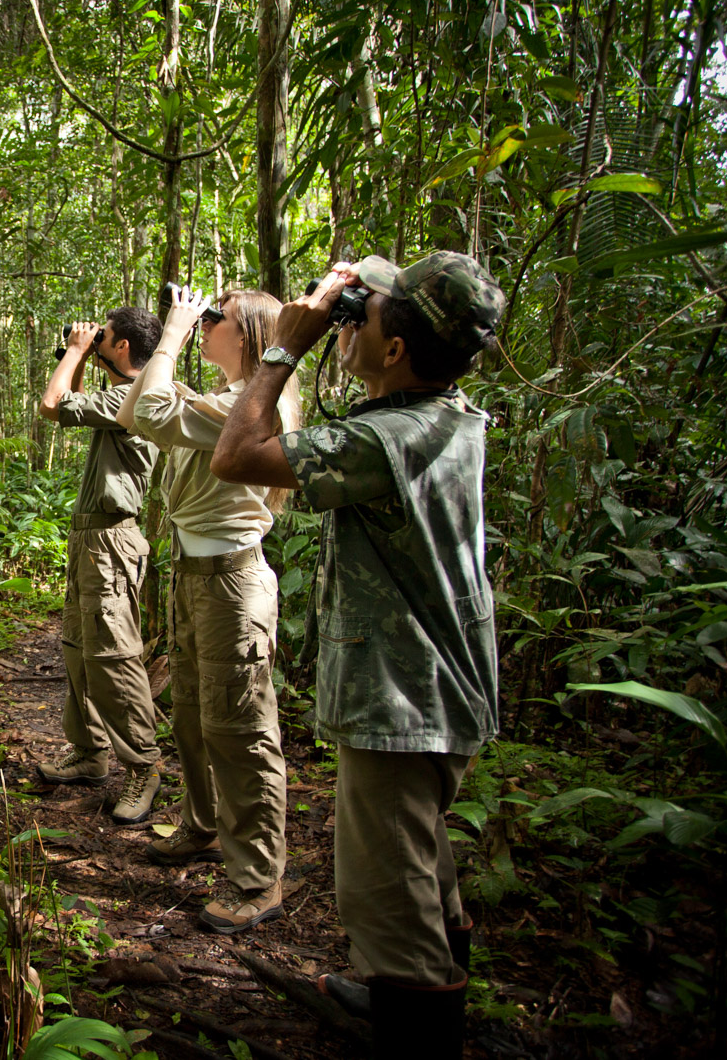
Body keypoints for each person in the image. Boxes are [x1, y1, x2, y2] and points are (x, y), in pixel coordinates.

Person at [208, 252, 503, 1059]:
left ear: (401, 350)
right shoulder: (449, 415)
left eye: (366, 317)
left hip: (404, 695)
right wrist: (358, 307)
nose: (350, 322)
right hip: (441, 684)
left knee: (388, 888)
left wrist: (282, 350)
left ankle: (411, 1014)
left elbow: (235, 458)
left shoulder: (388, 440)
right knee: (421, 854)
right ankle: (404, 990)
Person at [114, 288, 301, 934]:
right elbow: (140, 410)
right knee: (191, 712)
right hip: (195, 575)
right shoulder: (225, 397)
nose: (204, 322)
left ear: (246, 332)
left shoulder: (246, 403)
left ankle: (258, 877)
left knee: (241, 728)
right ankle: (203, 825)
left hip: (231, 584)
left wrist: (170, 330)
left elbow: (156, 409)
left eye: (214, 316)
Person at [35, 308, 164, 826]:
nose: (92, 339)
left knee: (112, 652)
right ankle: (89, 752)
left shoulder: (135, 397)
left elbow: (53, 404)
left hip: (111, 540)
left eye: (103, 336)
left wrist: (74, 351)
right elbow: (72, 404)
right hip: (91, 537)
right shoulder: (121, 392)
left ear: (125, 348)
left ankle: (143, 764)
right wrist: (87, 354)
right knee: (78, 647)